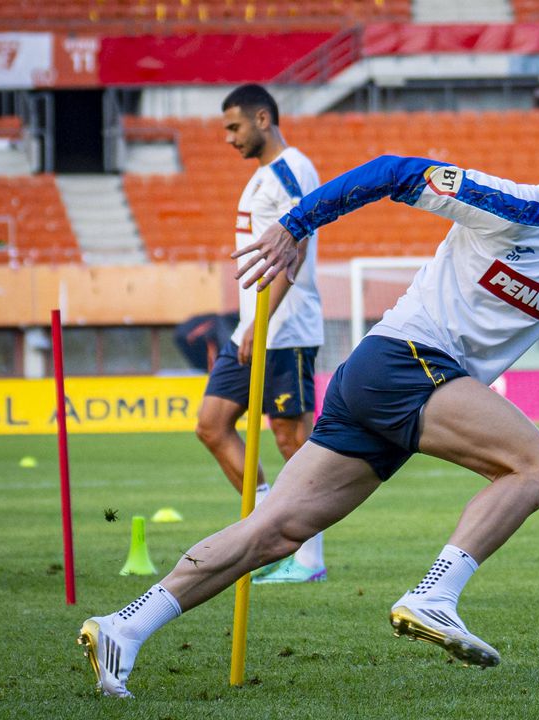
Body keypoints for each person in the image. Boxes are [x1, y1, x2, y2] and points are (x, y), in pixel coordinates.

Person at [76, 103, 539, 697]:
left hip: (391, 384)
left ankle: (123, 628)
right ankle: (435, 596)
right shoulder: (511, 205)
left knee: (273, 532)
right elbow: (393, 172)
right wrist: (295, 225)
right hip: (402, 361)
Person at [193, 84, 327, 583]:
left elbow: (298, 246)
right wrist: (251, 323)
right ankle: (271, 532)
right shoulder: (261, 177)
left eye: (235, 127)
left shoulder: (293, 168)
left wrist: (262, 320)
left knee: (293, 441)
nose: (229, 138)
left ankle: (309, 560)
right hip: (253, 327)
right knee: (212, 424)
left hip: (285, 328)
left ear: (263, 119)